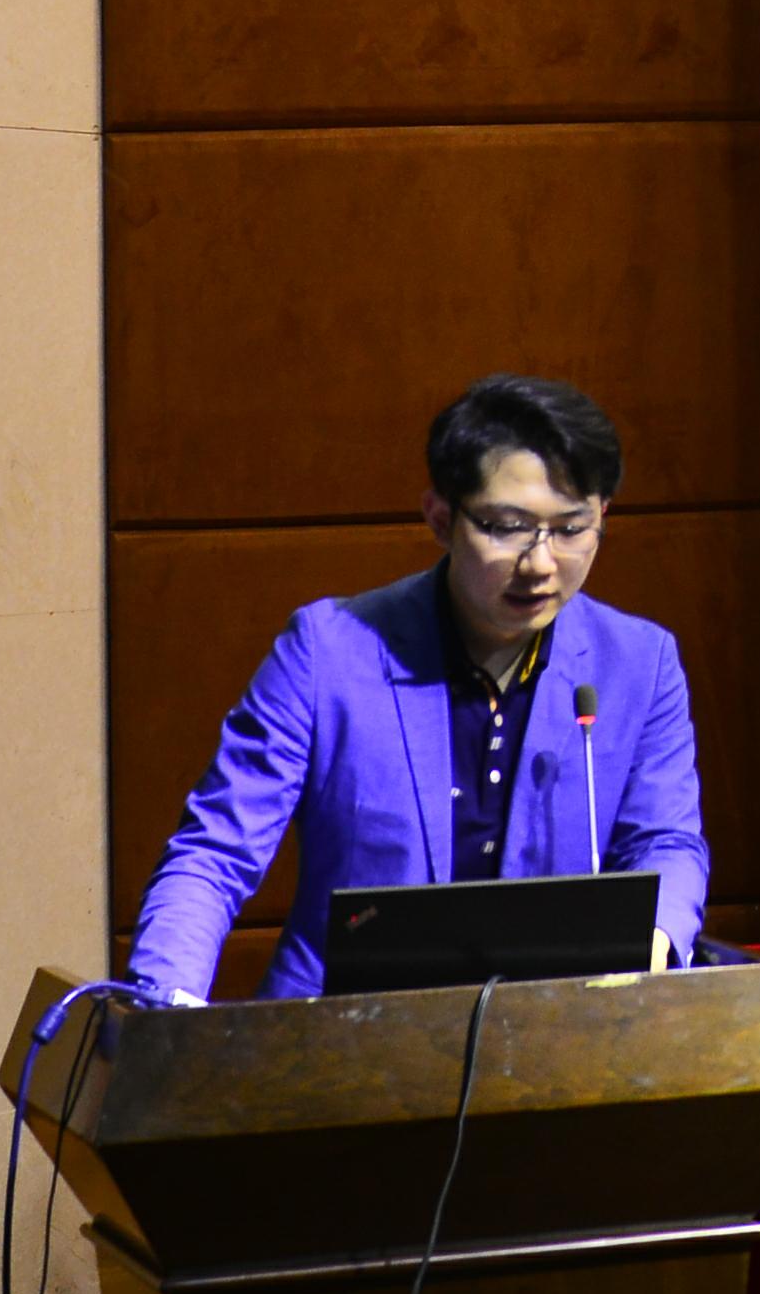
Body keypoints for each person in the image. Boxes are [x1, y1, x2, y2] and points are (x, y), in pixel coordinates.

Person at [123, 372, 710, 1005]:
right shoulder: (327, 652)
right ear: (440, 517)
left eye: (571, 530)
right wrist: (165, 1000)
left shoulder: (638, 662)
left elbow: (665, 841)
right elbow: (216, 851)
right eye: (507, 526)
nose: (540, 563)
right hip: (339, 1034)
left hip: (554, 1031)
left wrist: (653, 941)